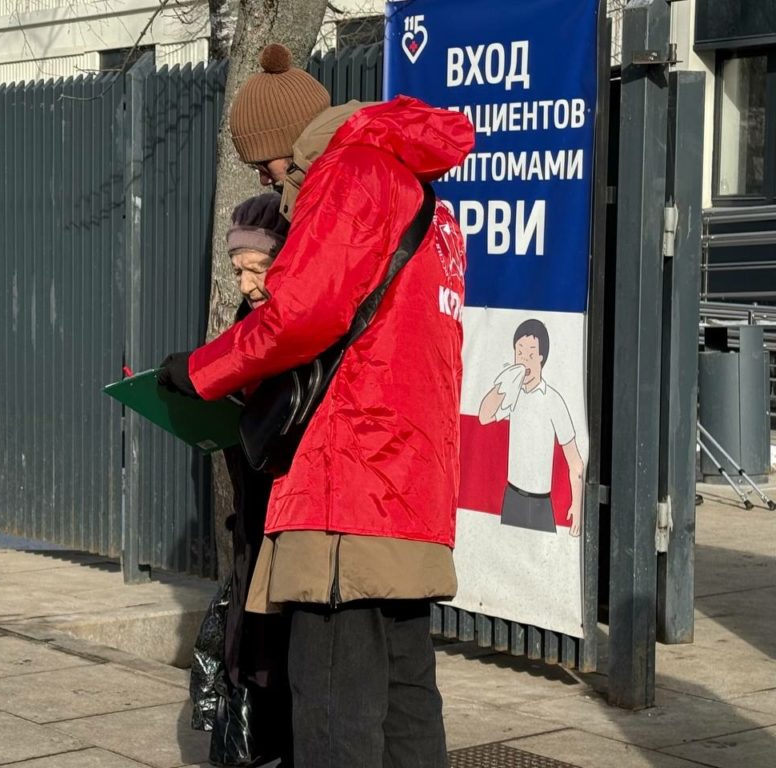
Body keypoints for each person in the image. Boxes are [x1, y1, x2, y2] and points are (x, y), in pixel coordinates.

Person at [160, 43, 475, 767]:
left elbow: (299, 316)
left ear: (290, 142)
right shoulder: (419, 192)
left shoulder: (350, 173)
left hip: (347, 483)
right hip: (410, 484)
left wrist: (201, 372)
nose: (265, 178)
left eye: (264, 162)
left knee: (334, 705)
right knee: (405, 695)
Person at [220, 193, 294, 765]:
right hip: (253, 503)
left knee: (283, 632)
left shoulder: (298, 323)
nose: (246, 285)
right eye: (238, 271)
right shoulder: (250, 317)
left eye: (258, 269)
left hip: (285, 502)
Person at [477, 318, 584, 535]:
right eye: (520, 353)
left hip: (541, 503)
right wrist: (504, 383)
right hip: (512, 497)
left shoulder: (553, 400)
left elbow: (575, 461)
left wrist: (577, 505)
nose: (524, 360)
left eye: (530, 354)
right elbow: (484, 416)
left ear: (542, 357)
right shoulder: (512, 393)